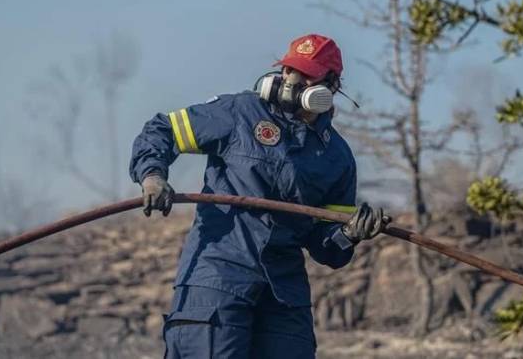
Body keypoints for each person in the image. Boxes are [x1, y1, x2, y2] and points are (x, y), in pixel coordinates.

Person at [129, 34, 390, 359]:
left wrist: (350, 234)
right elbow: (162, 130)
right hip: (218, 278)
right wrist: (153, 176)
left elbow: (327, 249)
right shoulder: (240, 112)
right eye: (288, 70)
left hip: (285, 295)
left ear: (331, 84)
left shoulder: (337, 157)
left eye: (304, 73)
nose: (291, 80)